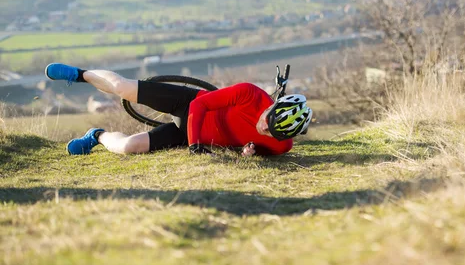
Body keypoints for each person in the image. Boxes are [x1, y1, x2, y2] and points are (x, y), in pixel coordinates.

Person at [44, 63, 313, 157]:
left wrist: (248, 153)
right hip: (189, 106)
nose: (264, 128)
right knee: (124, 88)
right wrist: (195, 144)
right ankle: (81, 74)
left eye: (272, 132)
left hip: (187, 137)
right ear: (272, 105)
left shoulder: (282, 146)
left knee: (128, 147)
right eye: (268, 120)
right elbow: (200, 104)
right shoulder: (250, 93)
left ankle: (96, 136)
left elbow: (257, 151)